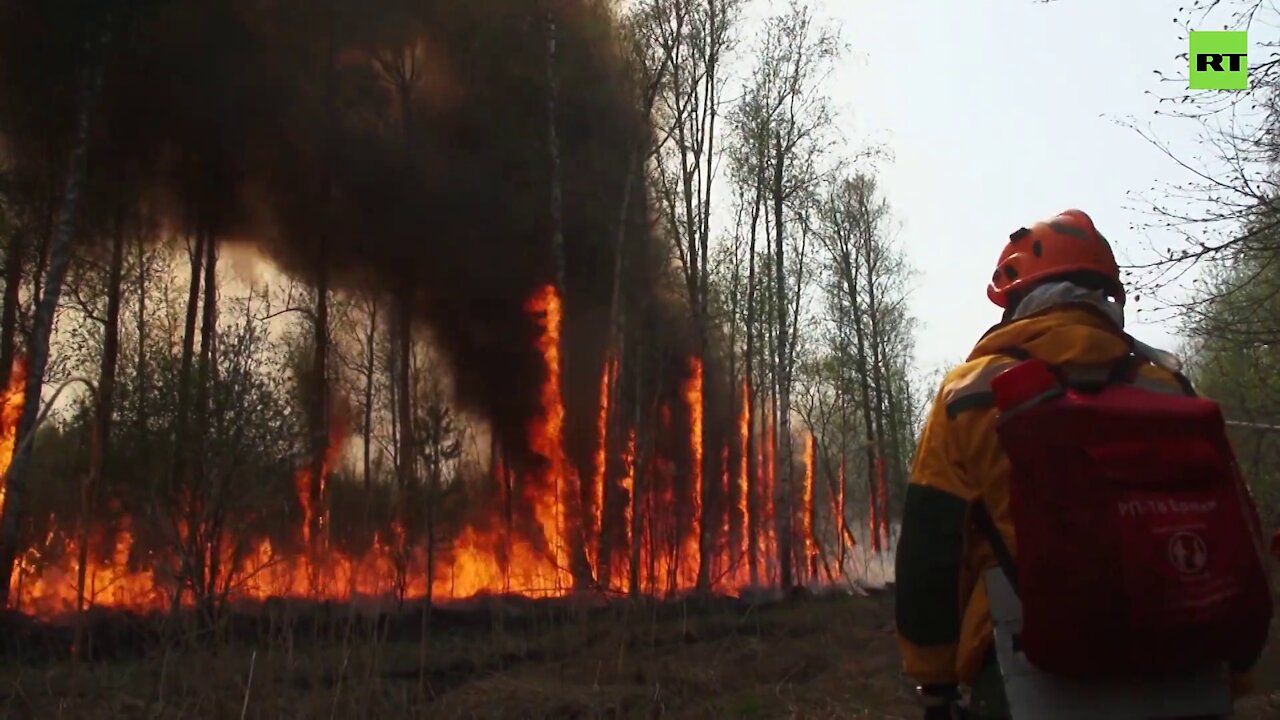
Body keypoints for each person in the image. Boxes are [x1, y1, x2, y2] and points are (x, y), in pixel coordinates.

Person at [894, 209, 1266, 720]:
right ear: (1107, 299)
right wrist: (1238, 669)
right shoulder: (1171, 392)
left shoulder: (972, 392)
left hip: (1026, 681)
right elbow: (1236, 534)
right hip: (1189, 675)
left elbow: (929, 547)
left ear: (1015, 300)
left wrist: (934, 683)